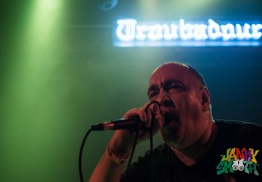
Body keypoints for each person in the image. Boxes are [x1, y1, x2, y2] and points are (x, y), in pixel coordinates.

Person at [89, 62, 262, 182]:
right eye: (153, 93)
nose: (161, 99)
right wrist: (118, 149)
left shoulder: (249, 142)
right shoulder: (154, 166)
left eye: (173, 87)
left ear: (203, 99)